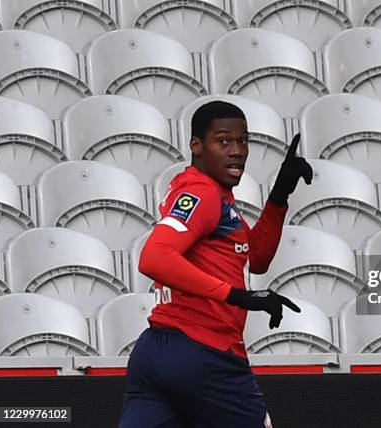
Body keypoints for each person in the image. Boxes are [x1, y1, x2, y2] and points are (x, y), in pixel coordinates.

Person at [118, 101, 313, 428]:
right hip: (205, 353)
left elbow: (257, 258)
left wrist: (279, 195)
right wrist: (236, 296)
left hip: (155, 353)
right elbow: (153, 257)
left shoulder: (216, 197)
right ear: (196, 146)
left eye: (243, 140)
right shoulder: (202, 193)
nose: (236, 150)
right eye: (223, 141)